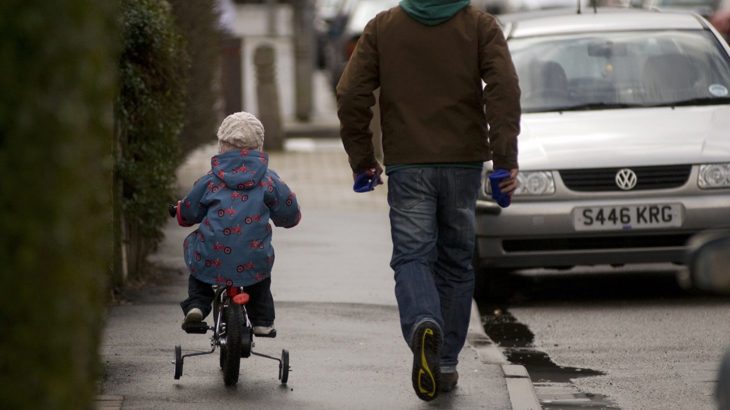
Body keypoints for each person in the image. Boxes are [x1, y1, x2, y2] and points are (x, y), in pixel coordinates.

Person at [336, 0, 521, 401]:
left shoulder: (383, 28)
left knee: (413, 256)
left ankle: (423, 322)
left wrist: (363, 160)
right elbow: (504, 89)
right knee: (455, 262)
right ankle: (447, 362)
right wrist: (505, 160)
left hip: (408, 164)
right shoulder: (479, 25)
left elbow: (351, 93)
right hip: (463, 163)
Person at [175, 111, 301, 337]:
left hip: (213, 255)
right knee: (259, 281)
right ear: (259, 146)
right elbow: (289, 211)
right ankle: (262, 321)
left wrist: (180, 212)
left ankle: (197, 304)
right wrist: (289, 219)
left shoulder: (210, 180)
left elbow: (190, 210)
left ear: (221, 145)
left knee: (198, 258)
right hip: (252, 257)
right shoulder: (268, 180)